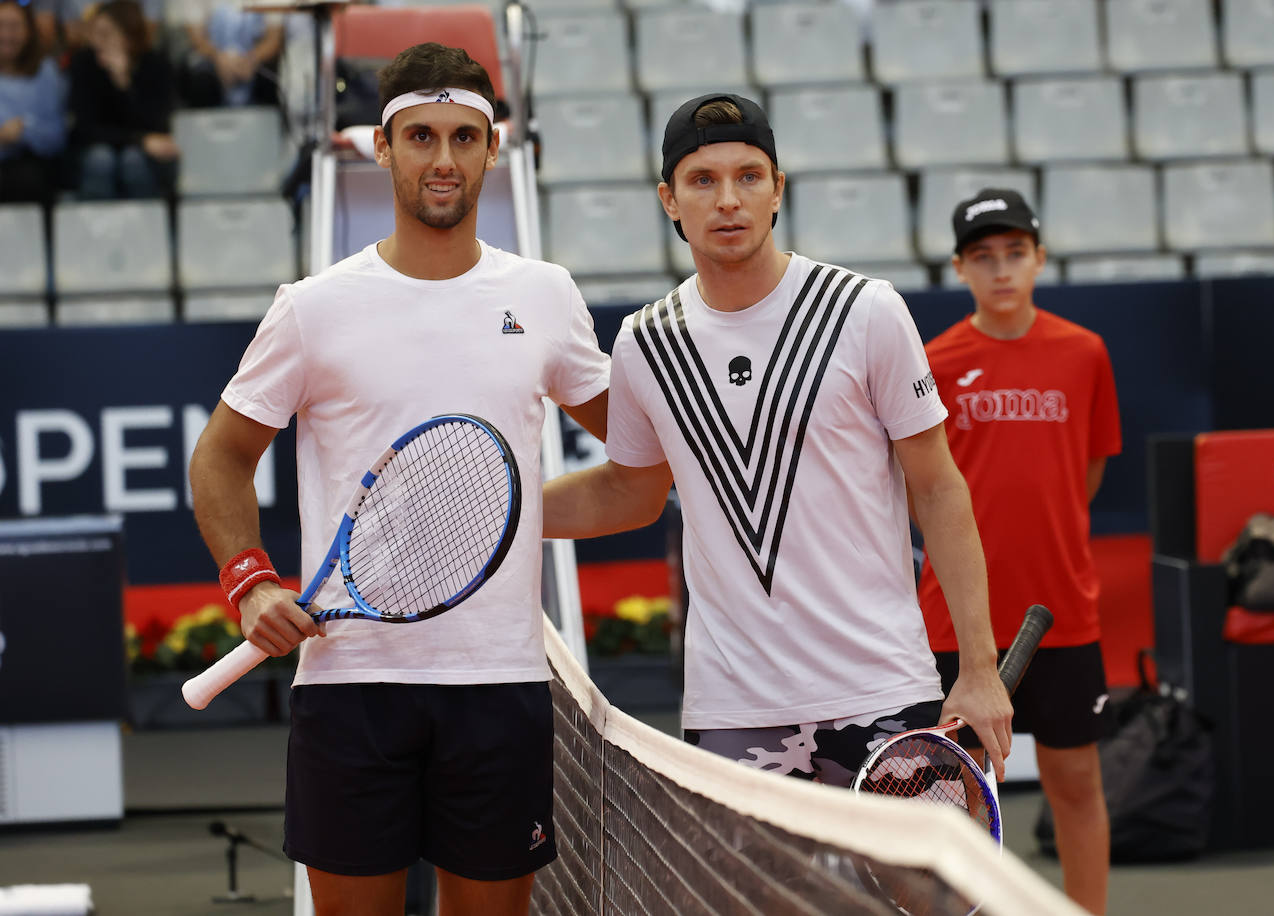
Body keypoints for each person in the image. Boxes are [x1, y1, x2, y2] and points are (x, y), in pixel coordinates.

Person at [187, 42, 610, 916]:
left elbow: (640, 456)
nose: (444, 159)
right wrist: (249, 585)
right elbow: (221, 458)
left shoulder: (546, 294)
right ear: (382, 148)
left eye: (465, 137)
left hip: (499, 685)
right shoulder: (311, 307)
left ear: (494, 149)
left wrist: (508, 515)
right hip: (351, 693)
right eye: (420, 136)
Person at [543, 92, 1012, 788]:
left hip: (881, 691)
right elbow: (629, 493)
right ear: (670, 200)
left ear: (777, 191)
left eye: (748, 177)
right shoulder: (645, 342)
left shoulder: (866, 311)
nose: (727, 199)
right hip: (736, 711)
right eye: (703, 180)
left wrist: (977, 669)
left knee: (893, 904)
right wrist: (504, 509)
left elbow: (939, 488)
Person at [918, 188, 1120, 915]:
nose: (1000, 270)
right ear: (959, 268)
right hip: (956, 622)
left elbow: (1087, 472)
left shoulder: (1084, 354)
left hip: (1063, 612)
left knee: (1075, 785)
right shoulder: (934, 362)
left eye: (1014, 254)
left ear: (1039, 257)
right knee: (959, 798)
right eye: (983, 258)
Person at [66, 0, 177, 199]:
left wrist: (124, 83)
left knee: (132, 160)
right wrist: (139, 139)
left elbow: (157, 125)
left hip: (141, 156)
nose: (97, 41)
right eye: (93, 33)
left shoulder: (155, 64)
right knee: (101, 159)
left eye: (105, 34)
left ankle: (145, 223)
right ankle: (96, 225)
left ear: (129, 36)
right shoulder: (83, 63)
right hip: (96, 150)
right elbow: (85, 128)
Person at [0, 0, 65, 204]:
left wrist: (23, 130)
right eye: (0, 26)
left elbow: (56, 136)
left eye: (14, 27)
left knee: (29, 177)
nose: (6, 35)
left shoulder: (46, 72)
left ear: (29, 31)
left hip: (33, 166)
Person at [175, 0, 284, 108]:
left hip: (255, 60)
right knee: (201, 84)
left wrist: (251, 60)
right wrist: (219, 58)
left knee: (272, 83)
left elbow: (274, 39)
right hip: (211, 60)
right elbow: (197, 38)